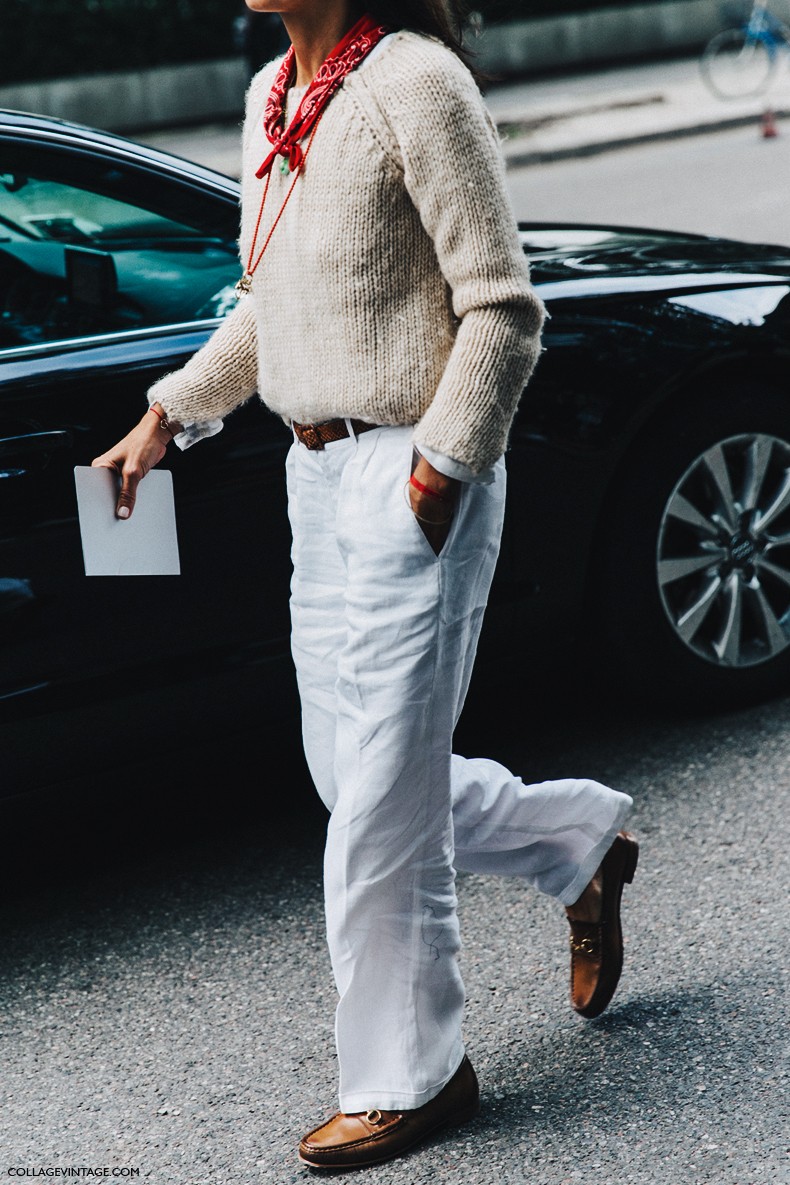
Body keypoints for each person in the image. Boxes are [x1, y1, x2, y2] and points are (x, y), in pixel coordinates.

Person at [92, 0, 639, 1170]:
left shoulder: (415, 83)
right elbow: (273, 310)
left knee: (383, 801)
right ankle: (577, 843)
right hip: (314, 471)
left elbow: (501, 305)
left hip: (409, 467)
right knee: (351, 775)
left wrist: (442, 469)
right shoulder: (271, 96)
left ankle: (412, 1074)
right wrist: (166, 416)